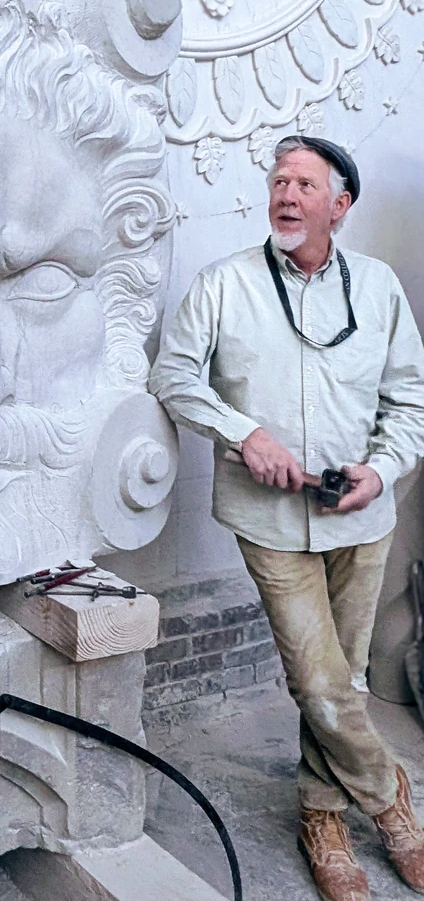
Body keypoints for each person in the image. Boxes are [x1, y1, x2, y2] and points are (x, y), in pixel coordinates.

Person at [150, 135, 424, 901]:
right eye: (279, 180)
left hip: (362, 519)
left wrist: (381, 469)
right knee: (319, 679)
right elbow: (172, 374)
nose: (287, 193)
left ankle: (322, 815)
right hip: (269, 521)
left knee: (344, 680)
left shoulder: (377, 289)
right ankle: (394, 806)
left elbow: (411, 403)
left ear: (340, 206)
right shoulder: (224, 284)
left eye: (306, 183)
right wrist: (245, 432)